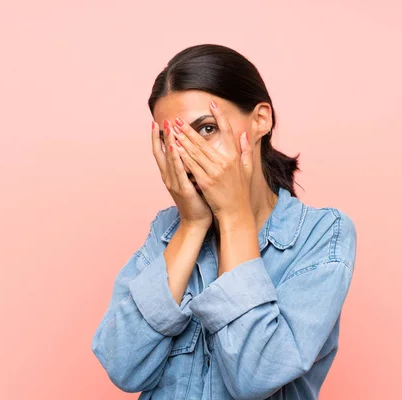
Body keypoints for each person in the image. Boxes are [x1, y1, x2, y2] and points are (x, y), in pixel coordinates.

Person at [92, 44, 357, 400]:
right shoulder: (167, 231)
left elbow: (256, 375)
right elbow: (122, 366)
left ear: (261, 119)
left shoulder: (320, 235)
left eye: (205, 129)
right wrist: (190, 226)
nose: (189, 157)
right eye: (173, 140)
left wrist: (234, 218)